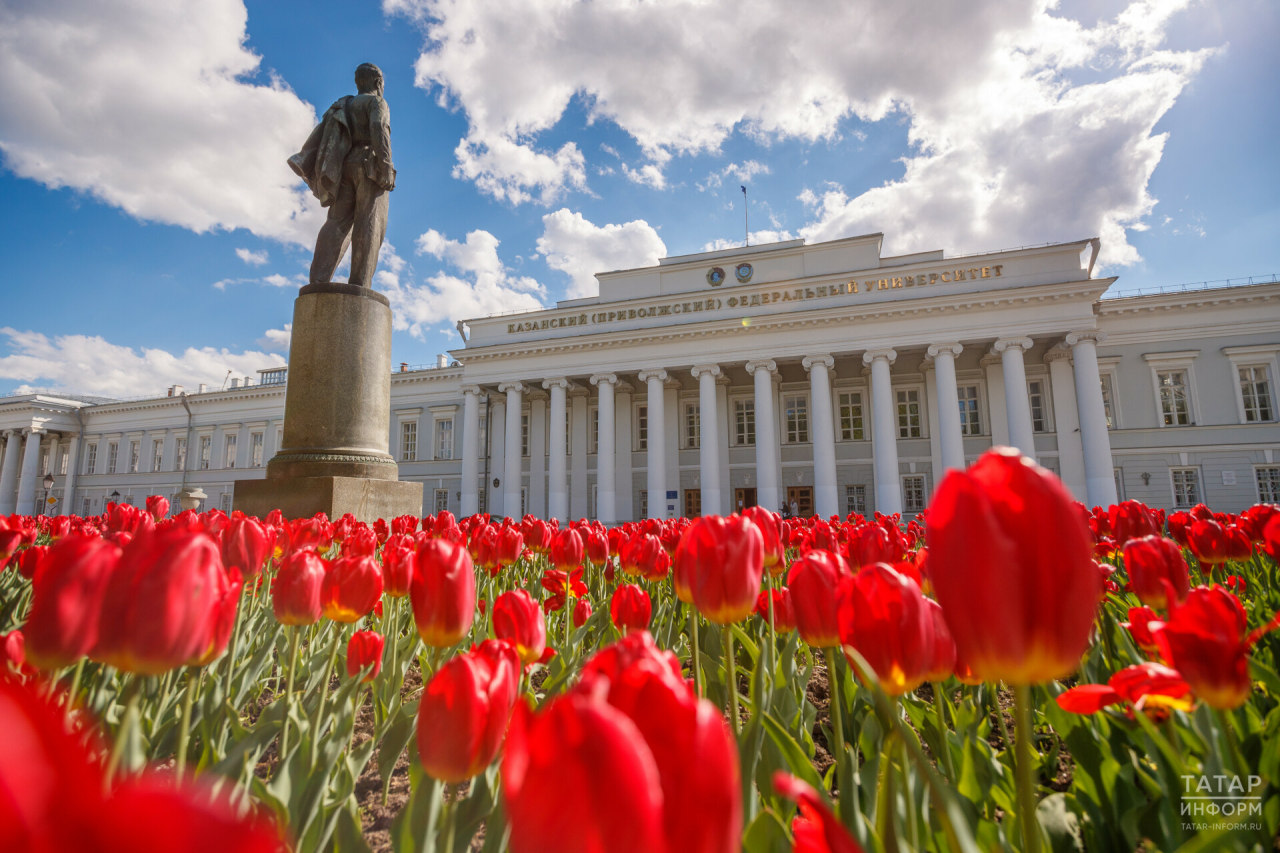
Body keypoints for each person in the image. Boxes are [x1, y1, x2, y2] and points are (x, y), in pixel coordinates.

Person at [288, 63, 396, 288]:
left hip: (345, 166)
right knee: (369, 224)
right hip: (370, 167)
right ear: (378, 83)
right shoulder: (377, 102)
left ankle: (318, 281)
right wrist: (386, 166)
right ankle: (360, 285)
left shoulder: (343, 105)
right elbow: (378, 129)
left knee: (336, 223)